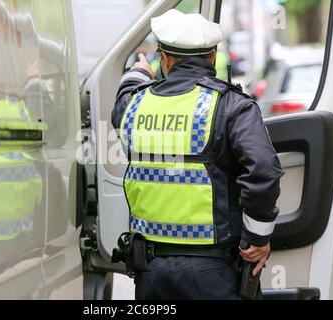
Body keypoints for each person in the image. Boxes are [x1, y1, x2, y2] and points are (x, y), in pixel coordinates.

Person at [111, 9, 284, 300]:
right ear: (213, 57)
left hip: (151, 272)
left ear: (164, 59)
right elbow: (263, 170)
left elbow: (121, 103)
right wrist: (257, 238)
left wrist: (139, 72)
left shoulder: (135, 106)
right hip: (213, 273)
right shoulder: (232, 106)